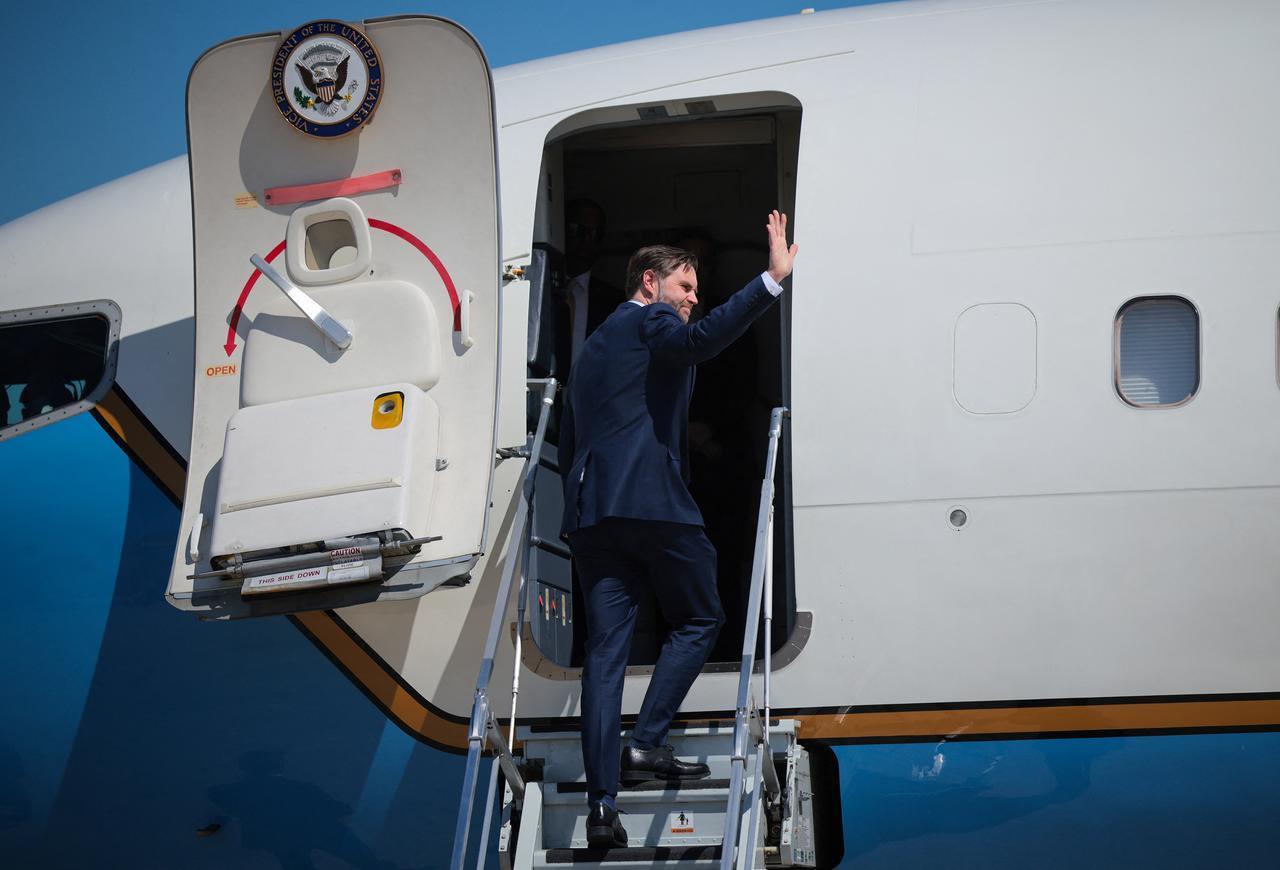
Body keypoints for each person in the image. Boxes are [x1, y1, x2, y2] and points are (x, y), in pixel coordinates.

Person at [559, 211, 798, 849]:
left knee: (604, 658)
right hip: (653, 507)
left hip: (593, 516)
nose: (694, 300)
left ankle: (602, 807)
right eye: (686, 287)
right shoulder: (652, 320)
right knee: (701, 619)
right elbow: (697, 343)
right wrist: (769, 282)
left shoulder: (596, 348)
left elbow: (577, 436)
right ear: (649, 283)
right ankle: (646, 741)